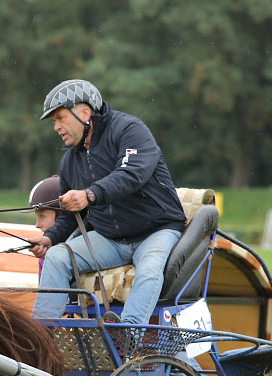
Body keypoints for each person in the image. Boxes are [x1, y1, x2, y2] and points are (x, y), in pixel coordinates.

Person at [29, 79, 186, 325]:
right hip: (111, 240)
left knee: (149, 270)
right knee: (57, 256)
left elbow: (131, 174)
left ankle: (127, 338)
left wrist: (89, 195)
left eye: (60, 118)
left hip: (156, 231)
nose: (56, 127)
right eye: (53, 122)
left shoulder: (130, 130)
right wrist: (50, 238)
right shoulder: (70, 161)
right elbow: (71, 216)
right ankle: (39, 337)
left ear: (84, 112)